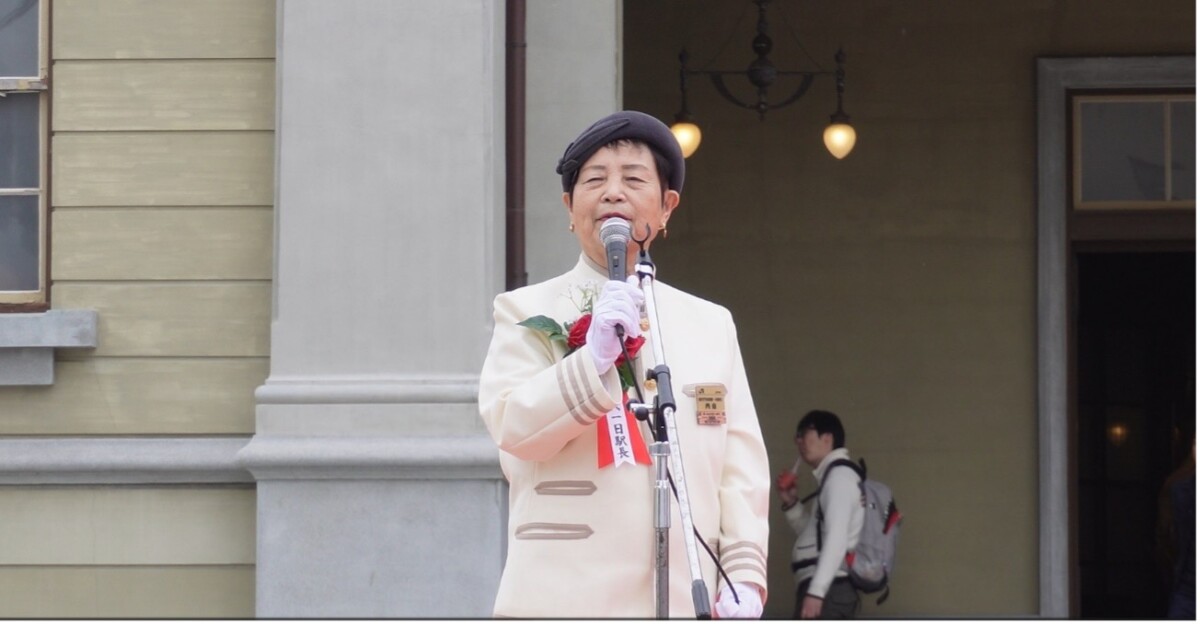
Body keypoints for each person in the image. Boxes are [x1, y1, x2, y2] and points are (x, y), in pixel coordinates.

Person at [477, 110, 770, 618]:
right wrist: (591, 361)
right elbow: (513, 427)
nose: (613, 193)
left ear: (667, 207)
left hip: (685, 596)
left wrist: (744, 573)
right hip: (563, 596)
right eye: (595, 180)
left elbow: (739, 464)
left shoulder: (710, 323)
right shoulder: (526, 310)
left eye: (634, 180)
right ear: (570, 208)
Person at [778, 409, 864, 619]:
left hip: (830, 591)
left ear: (827, 438)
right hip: (828, 589)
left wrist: (817, 591)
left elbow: (836, 537)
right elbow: (815, 536)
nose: (798, 441)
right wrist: (791, 503)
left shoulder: (839, 478)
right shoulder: (833, 477)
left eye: (804, 433)